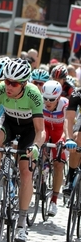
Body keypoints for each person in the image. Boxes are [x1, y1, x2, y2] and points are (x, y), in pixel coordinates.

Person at [0, 58, 45, 242]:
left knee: (26, 172)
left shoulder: (34, 94)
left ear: (24, 84)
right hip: (9, 123)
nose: (8, 86)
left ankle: (21, 223)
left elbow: (40, 130)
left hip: (29, 130)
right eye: (6, 81)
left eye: (13, 83)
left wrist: (36, 147)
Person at [41, 80, 68, 216]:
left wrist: (64, 140)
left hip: (59, 132)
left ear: (58, 98)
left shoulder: (64, 104)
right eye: (45, 98)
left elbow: (67, 126)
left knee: (58, 165)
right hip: (45, 129)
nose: (48, 102)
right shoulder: (40, 102)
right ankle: (41, 168)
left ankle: (54, 201)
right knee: (39, 147)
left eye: (51, 99)